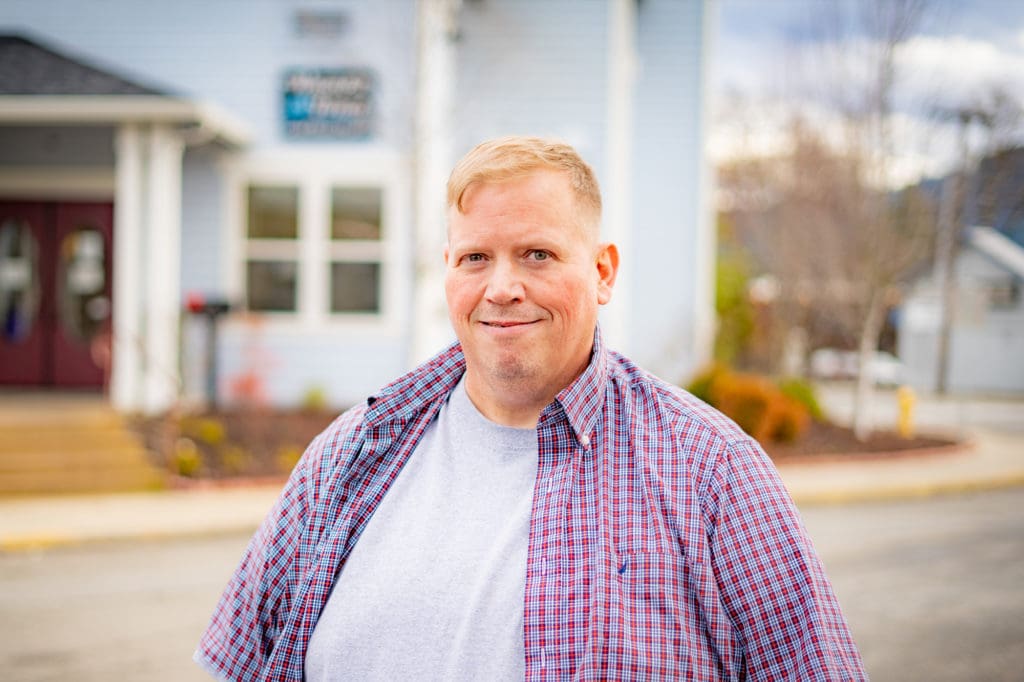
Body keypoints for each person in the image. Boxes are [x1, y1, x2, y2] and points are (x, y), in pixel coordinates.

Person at [196, 136, 866, 680]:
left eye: (537, 255)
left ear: (603, 271)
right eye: (476, 258)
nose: (503, 287)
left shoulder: (712, 474)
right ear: (448, 271)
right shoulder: (351, 454)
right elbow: (237, 664)